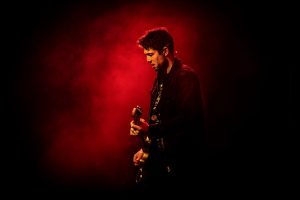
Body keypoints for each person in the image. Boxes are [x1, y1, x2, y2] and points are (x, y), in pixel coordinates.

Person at [129, 27, 206, 195]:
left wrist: (150, 129)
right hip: (162, 166)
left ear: (165, 51)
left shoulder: (186, 77)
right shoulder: (158, 81)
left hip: (183, 168)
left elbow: (188, 120)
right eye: (146, 55)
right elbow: (161, 125)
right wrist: (147, 149)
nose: (147, 60)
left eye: (150, 54)